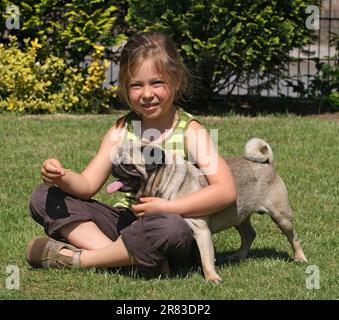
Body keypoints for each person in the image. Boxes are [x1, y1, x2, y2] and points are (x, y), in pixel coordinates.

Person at [26, 31, 237, 275]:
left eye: (157, 83)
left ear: (176, 80)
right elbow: (86, 185)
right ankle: (122, 257)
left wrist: (168, 208)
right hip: (126, 221)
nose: (147, 94)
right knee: (44, 197)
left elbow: (226, 190)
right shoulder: (121, 130)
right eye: (136, 85)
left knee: (168, 228)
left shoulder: (190, 132)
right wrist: (60, 176)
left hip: (174, 224)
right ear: (126, 88)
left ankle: (80, 259)